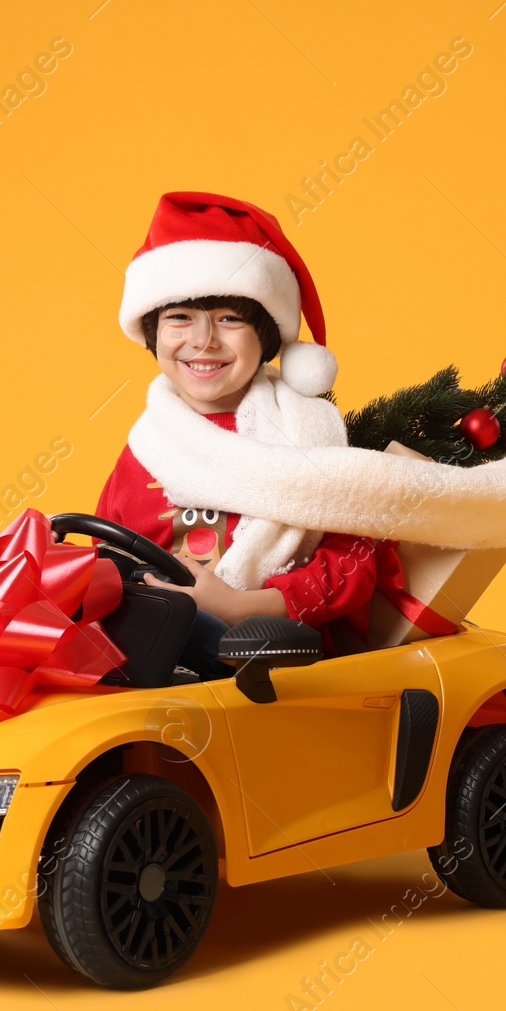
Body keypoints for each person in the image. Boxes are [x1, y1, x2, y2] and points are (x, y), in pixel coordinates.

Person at [94, 192, 379, 680]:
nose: (203, 340)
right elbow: (107, 553)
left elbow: (354, 564)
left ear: (266, 334)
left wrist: (239, 605)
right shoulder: (147, 446)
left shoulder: (304, 436)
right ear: (152, 332)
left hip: (271, 659)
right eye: (179, 318)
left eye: (229, 318)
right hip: (155, 657)